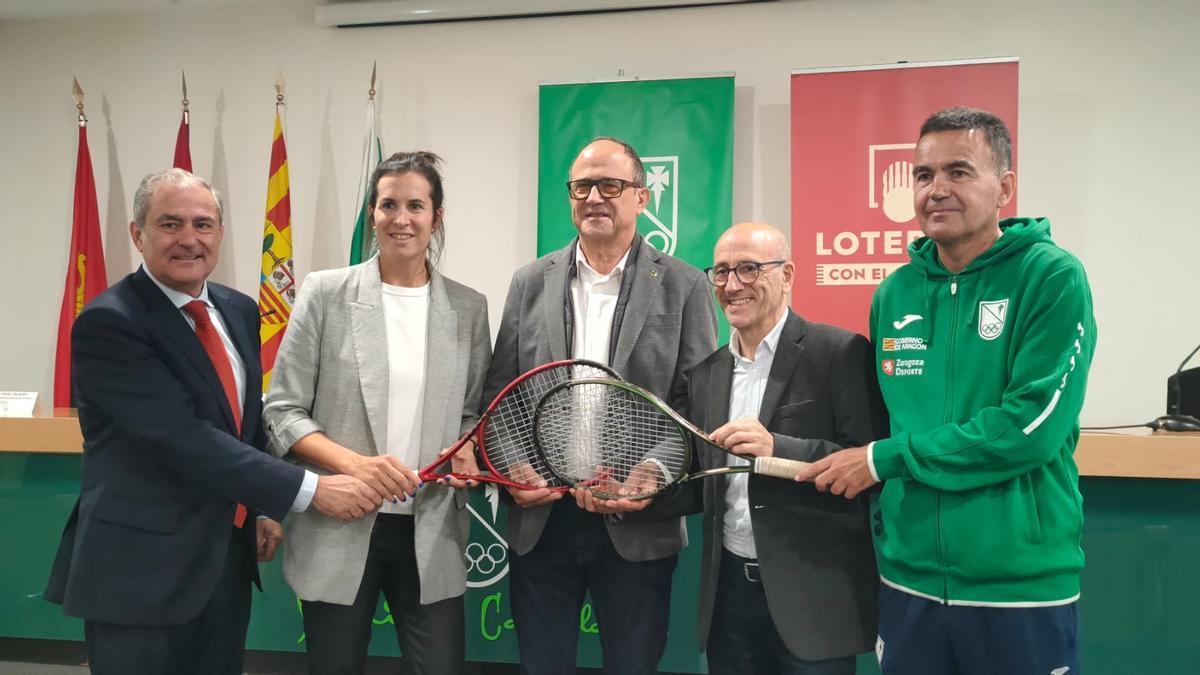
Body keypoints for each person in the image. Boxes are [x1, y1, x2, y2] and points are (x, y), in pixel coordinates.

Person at [44, 168, 383, 675]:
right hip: (139, 570)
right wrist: (310, 490)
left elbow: (242, 425)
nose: (189, 239)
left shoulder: (238, 309)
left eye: (203, 224)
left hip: (225, 559)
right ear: (138, 234)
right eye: (170, 223)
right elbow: (183, 439)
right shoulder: (110, 322)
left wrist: (263, 507)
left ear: (220, 233)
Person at [798, 107, 1097, 675]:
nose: (937, 189)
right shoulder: (894, 293)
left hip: (1016, 586)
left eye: (959, 172)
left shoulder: (1052, 277)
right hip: (907, 580)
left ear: (1004, 187)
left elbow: (1027, 429)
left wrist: (886, 460)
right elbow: (879, 421)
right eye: (924, 174)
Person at [484, 136, 718, 673]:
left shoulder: (685, 285)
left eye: (610, 185)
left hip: (637, 524)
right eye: (582, 186)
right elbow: (501, 397)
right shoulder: (529, 282)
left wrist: (652, 472)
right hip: (542, 522)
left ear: (642, 197)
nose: (594, 197)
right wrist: (514, 470)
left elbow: (696, 408)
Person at [263, 151, 490, 675]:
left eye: (416, 205)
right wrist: (355, 466)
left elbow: (472, 414)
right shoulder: (325, 293)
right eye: (389, 204)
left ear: (436, 217)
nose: (402, 218)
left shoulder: (469, 307)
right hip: (339, 522)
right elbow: (282, 411)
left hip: (431, 528)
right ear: (373, 213)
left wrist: (467, 450)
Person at [687, 222, 886, 674]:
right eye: (720, 272)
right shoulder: (706, 374)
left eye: (749, 269)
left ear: (788, 275)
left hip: (813, 603)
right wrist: (637, 488)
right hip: (729, 604)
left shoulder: (840, 352)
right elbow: (700, 477)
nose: (732, 285)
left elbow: (870, 462)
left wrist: (776, 447)